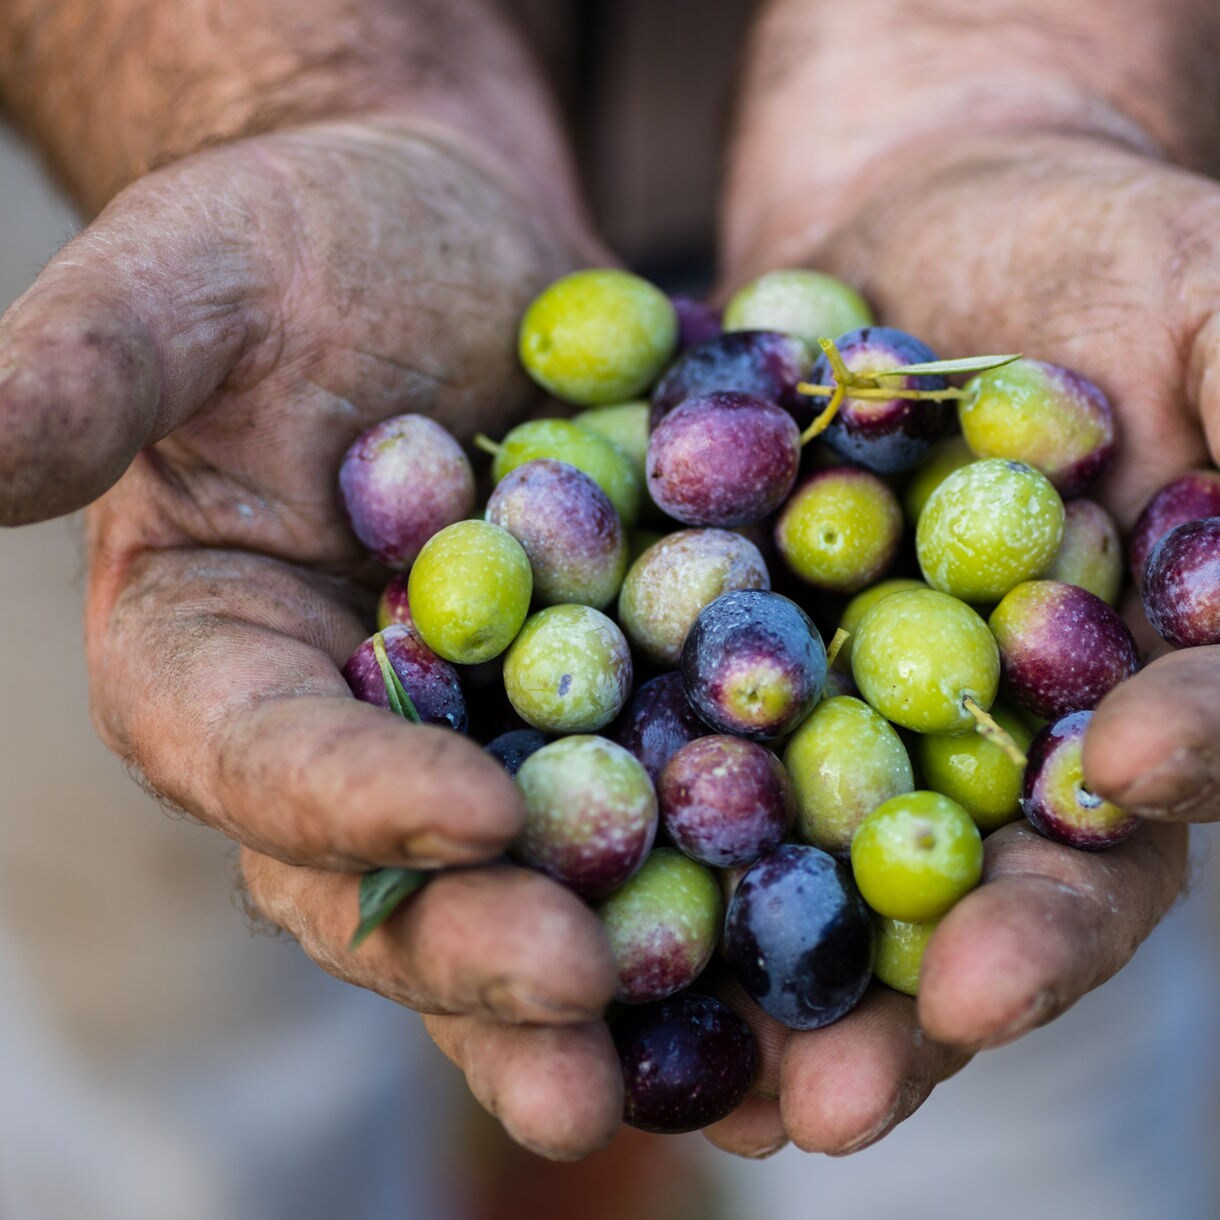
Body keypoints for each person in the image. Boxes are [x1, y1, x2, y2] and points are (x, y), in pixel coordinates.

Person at [0, 0, 1214, 1168]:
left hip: (879, 180)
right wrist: (300, 90)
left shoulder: (846, 520)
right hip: (306, 275)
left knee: (1028, 1065)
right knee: (170, 1022)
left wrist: (1028, 65)